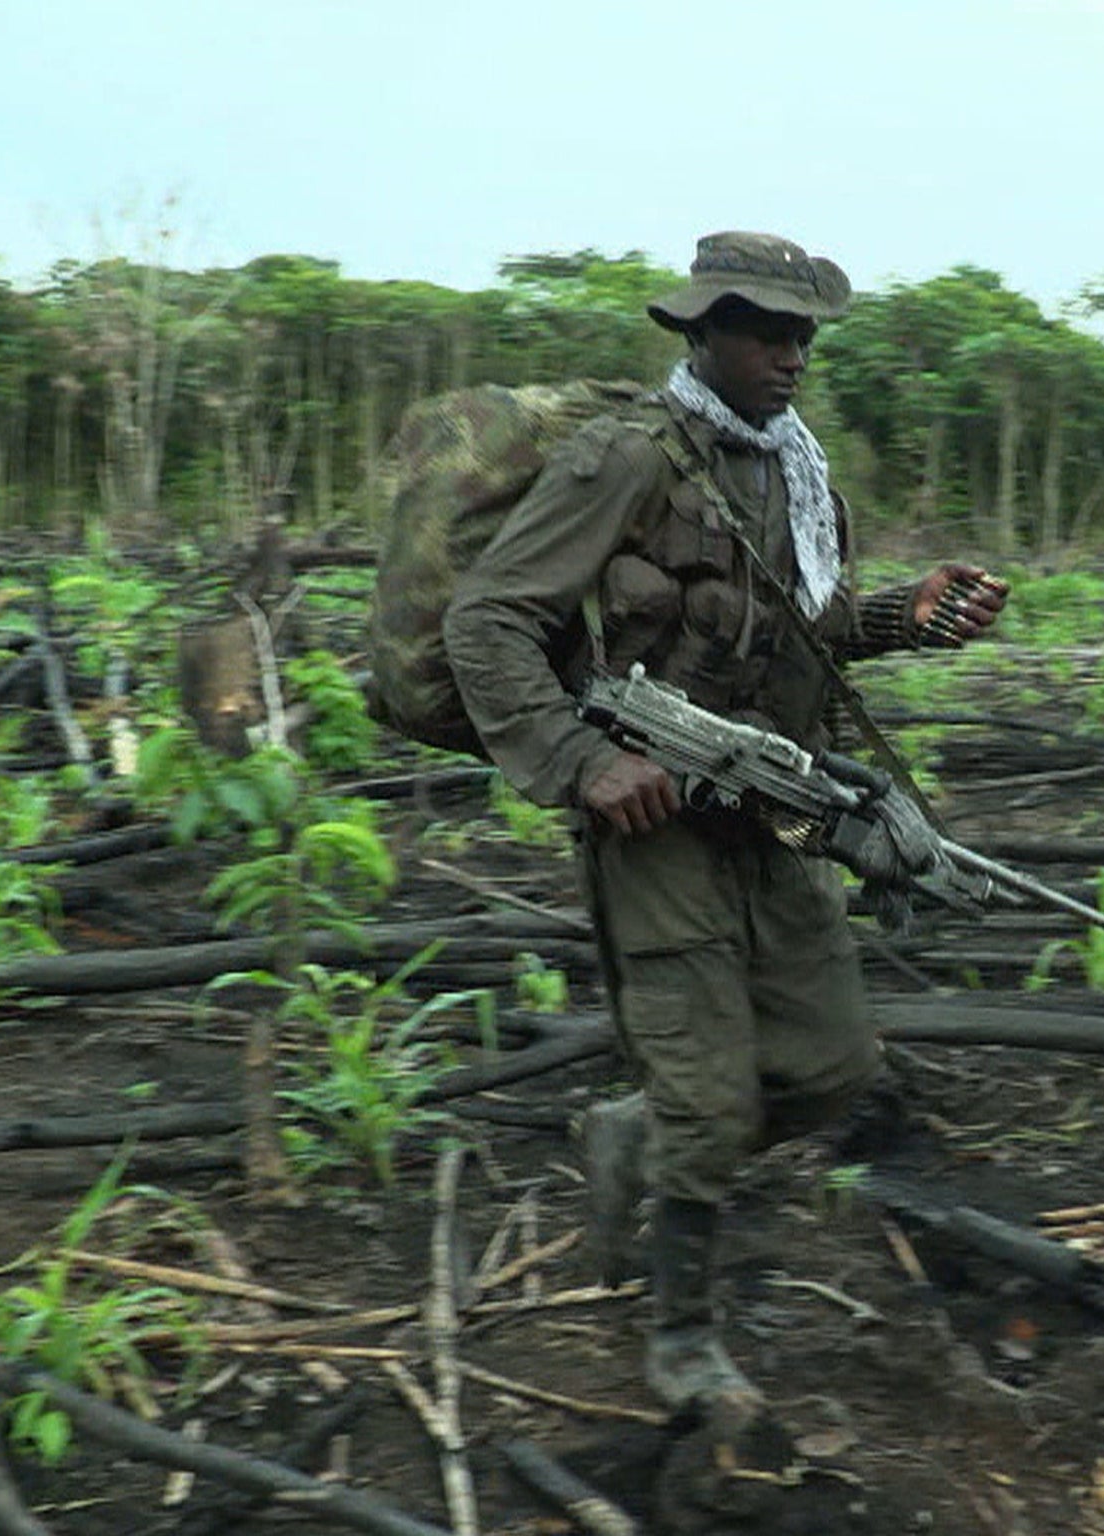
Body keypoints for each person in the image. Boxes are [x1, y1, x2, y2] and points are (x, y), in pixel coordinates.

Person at [443, 231, 1007, 1416]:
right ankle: (681, 1336)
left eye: (802, 334)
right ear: (701, 333)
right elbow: (489, 620)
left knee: (831, 1068)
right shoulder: (624, 458)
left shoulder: (800, 476)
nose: (790, 355)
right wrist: (581, 762)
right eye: (764, 331)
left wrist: (903, 617)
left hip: (778, 817)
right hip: (655, 824)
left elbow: (806, 632)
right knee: (708, 1103)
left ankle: (633, 1138)